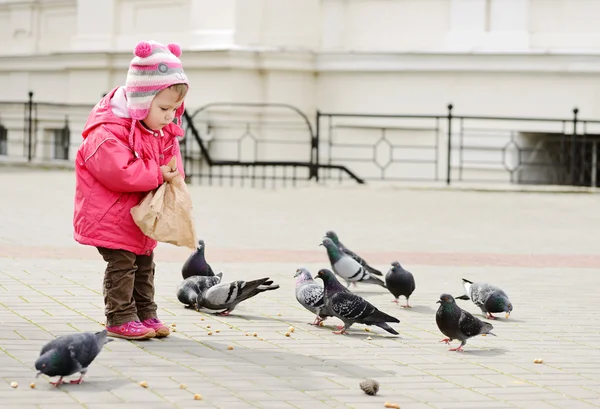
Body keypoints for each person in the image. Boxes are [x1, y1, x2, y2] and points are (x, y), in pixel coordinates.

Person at [72, 40, 190, 340]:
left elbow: (170, 159)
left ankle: (145, 312)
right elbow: (120, 173)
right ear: (140, 100)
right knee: (122, 266)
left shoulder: (158, 130)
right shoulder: (107, 132)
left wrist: (173, 172)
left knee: (144, 265)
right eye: (164, 108)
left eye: (175, 110)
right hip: (111, 217)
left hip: (139, 217)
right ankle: (120, 316)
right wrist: (157, 173)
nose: (169, 116)